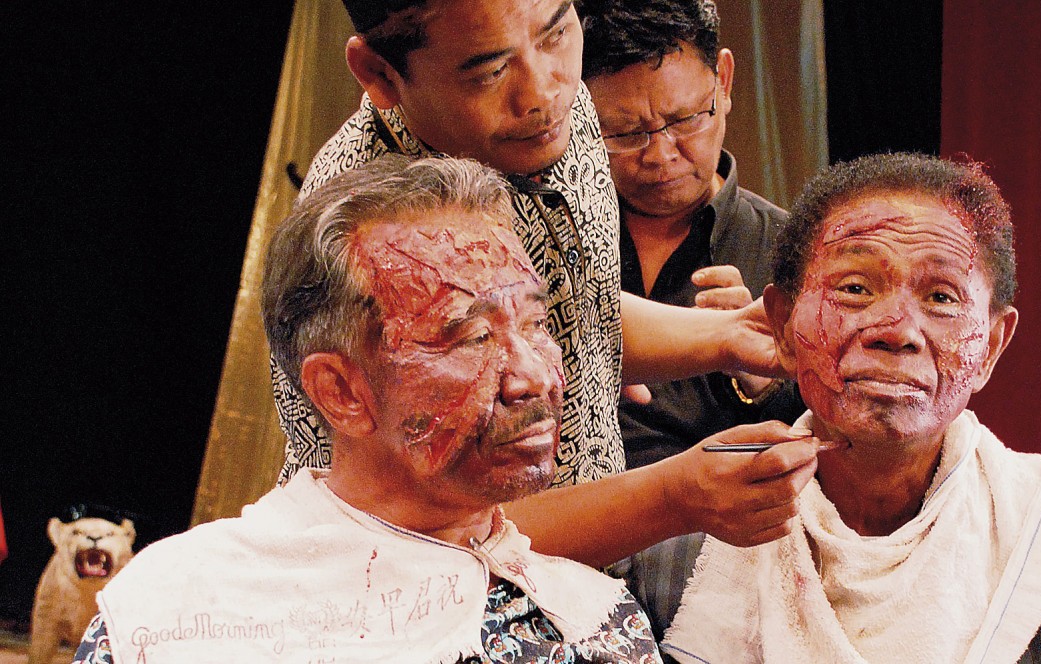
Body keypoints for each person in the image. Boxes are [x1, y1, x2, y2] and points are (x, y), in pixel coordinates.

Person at [273, 0, 825, 570]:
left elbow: (581, 308)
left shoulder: (565, 113)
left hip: (590, 581)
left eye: (557, 33)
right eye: (490, 70)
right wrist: (674, 497)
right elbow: (410, 540)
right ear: (380, 74)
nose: (544, 92)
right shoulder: (365, 233)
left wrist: (727, 334)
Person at [73, 156, 664, 663]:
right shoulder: (180, 615)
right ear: (341, 392)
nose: (534, 377)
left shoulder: (596, 621)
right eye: (473, 337)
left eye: (536, 324)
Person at [660, 152, 1041, 663]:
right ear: (782, 327)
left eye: (942, 298)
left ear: (990, 348)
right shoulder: (682, 549)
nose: (898, 331)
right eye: (855, 288)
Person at [578, 0, 806, 635]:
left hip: (719, 567)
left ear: (724, 82)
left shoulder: (792, 252)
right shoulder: (556, 239)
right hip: (561, 534)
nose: (659, 155)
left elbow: (831, 443)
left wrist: (763, 384)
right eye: (624, 132)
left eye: (684, 119)